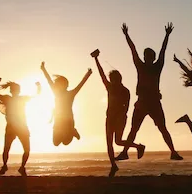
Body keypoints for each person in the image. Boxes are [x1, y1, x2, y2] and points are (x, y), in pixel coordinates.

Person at [119, 23, 183, 160]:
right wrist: (126, 35)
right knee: (134, 129)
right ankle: (125, 152)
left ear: (152, 58)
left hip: (153, 102)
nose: (147, 58)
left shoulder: (157, 67)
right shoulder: (141, 66)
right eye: (146, 56)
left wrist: (167, 35)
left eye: (149, 56)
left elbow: (163, 50)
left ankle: (173, 152)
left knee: (162, 128)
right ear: (146, 57)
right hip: (143, 102)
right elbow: (133, 50)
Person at [91, 49, 145, 177]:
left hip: (120, 118)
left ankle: (138, 147)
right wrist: (96, 59)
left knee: (118, 141)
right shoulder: (110, 87)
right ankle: (113, 166)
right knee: (110, 142)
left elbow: (126, 107)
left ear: (119, 79)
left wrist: (121, 117)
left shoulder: (125, 90)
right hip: (110, 117)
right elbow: (101, 74)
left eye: (115, 79)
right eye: (112, 79)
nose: (113, 81)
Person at [0, 77, 40, 176]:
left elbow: (36, 95)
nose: (16, 91)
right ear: (14, 90)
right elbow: (37, 95)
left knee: (12, 148)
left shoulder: (15, 98)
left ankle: (16, 167)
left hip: (19, 126)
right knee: (17, 149)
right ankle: (11, 166)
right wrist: (38, 87)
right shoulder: (10, 98)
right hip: (16, 127)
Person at [40, 61, 91, 147]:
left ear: (65, 85)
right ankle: (70, 132)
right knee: (56, 143)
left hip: (68, 121)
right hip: (58, 120)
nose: (56, 86)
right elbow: (49, 80)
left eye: (58, 84)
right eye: (56, 84)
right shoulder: (56, 92)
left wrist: (88, 74)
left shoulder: (71, 94)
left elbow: (80, 84)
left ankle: (72, 131)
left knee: (66, 142)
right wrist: (43, 69)